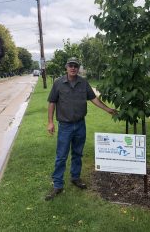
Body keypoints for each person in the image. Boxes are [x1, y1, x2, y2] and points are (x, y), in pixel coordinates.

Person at [45, 57, 116, 201]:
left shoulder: (83, 83)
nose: (73, 68)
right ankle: (58, 184)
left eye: (75, 66)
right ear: (66, 67)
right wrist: (50, 122)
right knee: (61, 156)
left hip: (80, 125)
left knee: (77, 153)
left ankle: (75, 177)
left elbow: (93, 99)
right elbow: (52, 102)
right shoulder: (58, 83)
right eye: (71, 65)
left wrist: (107, 109)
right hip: (64, 126)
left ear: (78, 68)